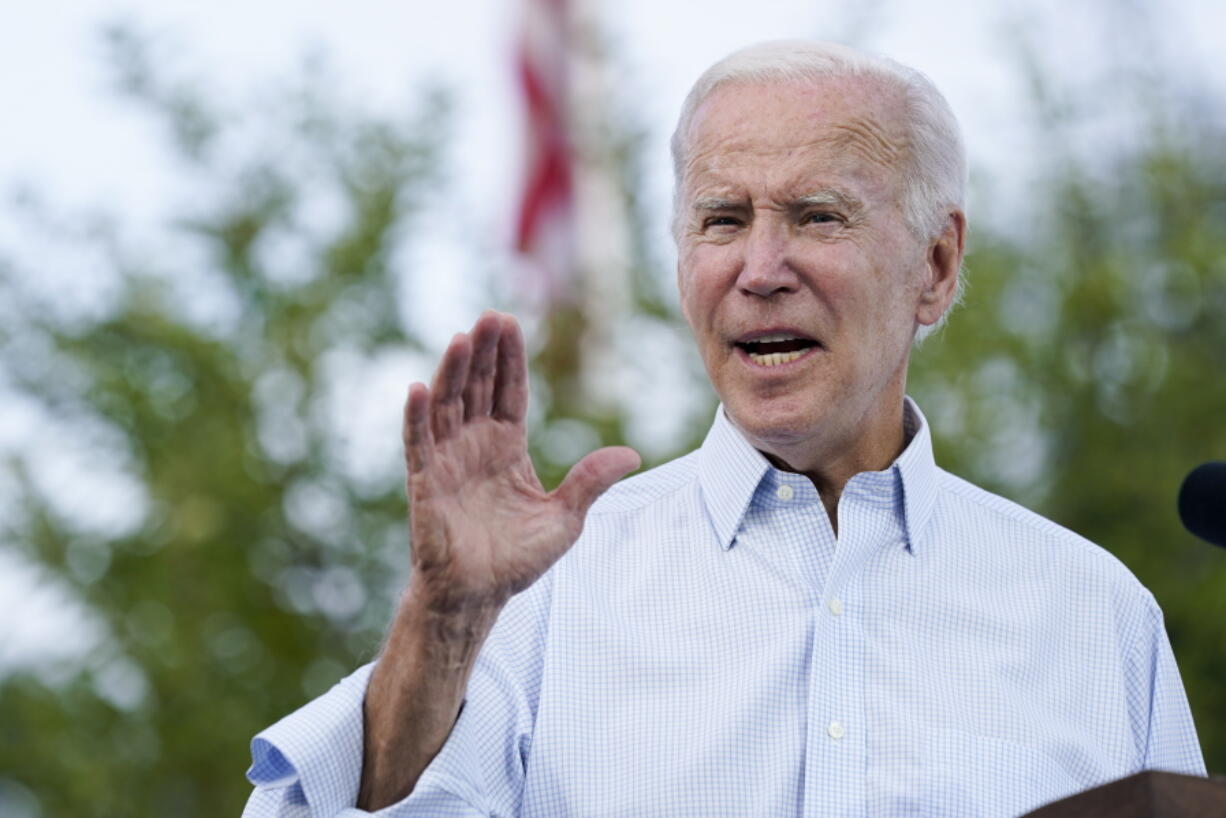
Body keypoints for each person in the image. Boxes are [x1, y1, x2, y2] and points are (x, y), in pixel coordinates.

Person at [242, 40, 1205, 817]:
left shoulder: (1096, 614)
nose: (760, 267)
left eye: (817, 217)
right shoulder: (540, 598)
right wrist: (447, 613)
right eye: (721, 220)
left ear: (938, 265)